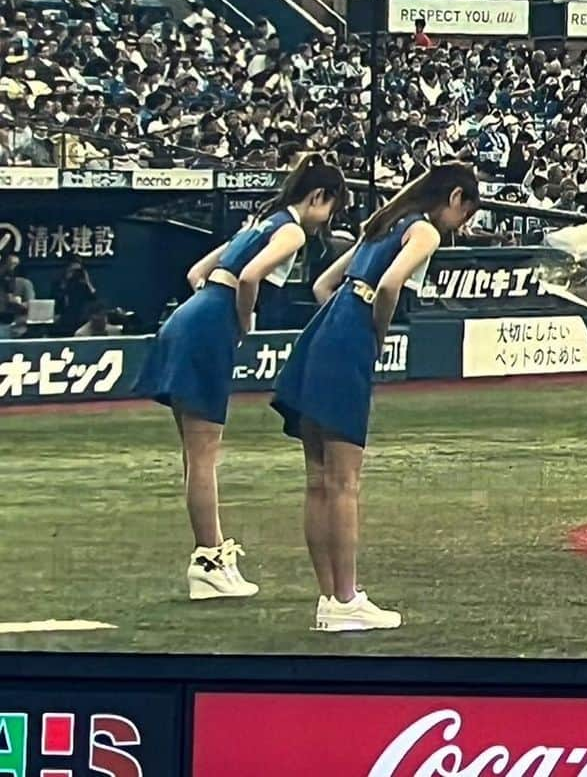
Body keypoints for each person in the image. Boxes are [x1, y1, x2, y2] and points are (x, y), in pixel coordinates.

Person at [271, 163, 479, 632]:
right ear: (454, 199)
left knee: (318, 479)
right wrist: (375, 335)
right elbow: (389, 286)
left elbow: (323, 284)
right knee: (344, 482)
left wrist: (344, 322)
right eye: (464, 212)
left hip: (324, 329)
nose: (461, 225)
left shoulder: (384, 222)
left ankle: (330, 598)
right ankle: (345, 600)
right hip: (352, 333)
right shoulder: (423, 232)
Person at [135, 156, 347, 601]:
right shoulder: (288, 230)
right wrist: (243, 320)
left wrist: (215, 311)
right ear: (318, 198)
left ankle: (209, 557)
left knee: (196, 456)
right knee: (204, 454)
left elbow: (198, 273)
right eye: (331, 209)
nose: (327, 221)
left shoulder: (258, 222)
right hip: (209, 326)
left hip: (188, 318)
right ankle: (209, 559)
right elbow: (250, 276)